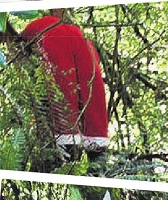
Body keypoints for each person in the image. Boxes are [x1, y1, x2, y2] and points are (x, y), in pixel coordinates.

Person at [19, 10, 110, 160]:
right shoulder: (83, 41)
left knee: (64, 88)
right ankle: (92, 154)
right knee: (90, 92)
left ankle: (69, 149)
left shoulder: (59, 35)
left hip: (51, 34)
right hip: (61, 35)